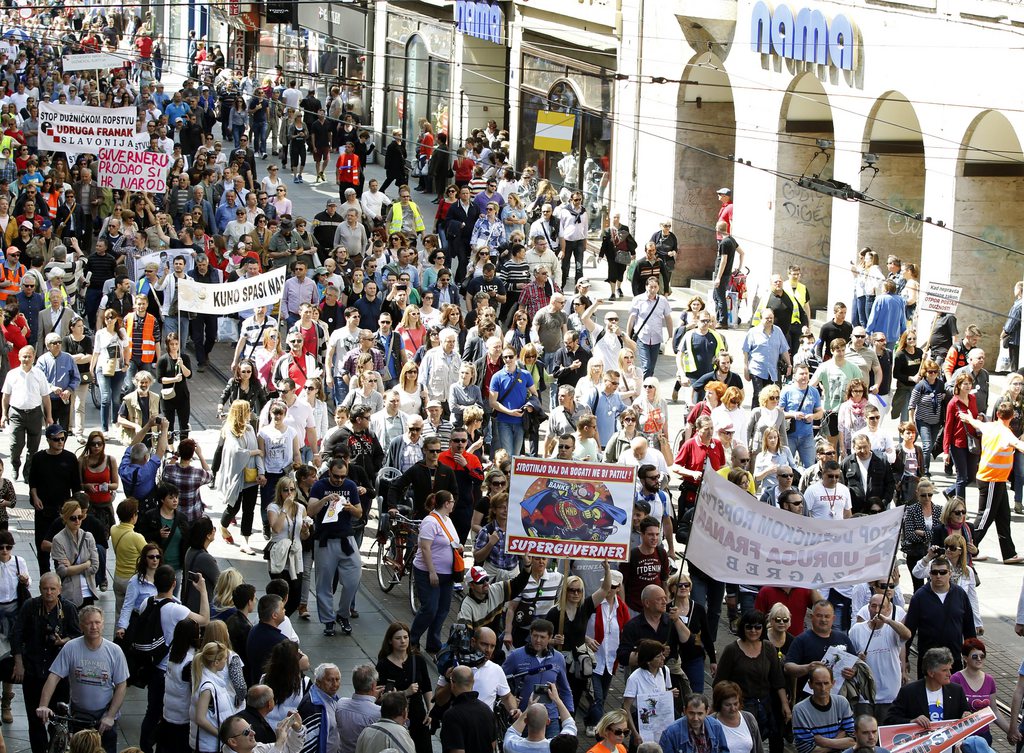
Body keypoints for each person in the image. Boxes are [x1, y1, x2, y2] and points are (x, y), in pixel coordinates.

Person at [36, 605, 129, 753]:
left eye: (97, 622)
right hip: (78, 716)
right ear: (81, 626)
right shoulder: (71, 647)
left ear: (103, 624)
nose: (94, 627)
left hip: (104, 718)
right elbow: (54, 677)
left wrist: (110, 716)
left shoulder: (114, 651)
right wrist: (43, 705)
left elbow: (121, 685)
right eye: (89, 623)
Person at [12, 571, 81, 752]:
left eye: (52, 589)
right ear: (40, 589)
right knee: (35, 720)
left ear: (59, 590)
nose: (48, 593)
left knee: (58, 721)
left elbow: (77, 635)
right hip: (33, 671)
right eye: (45, 589)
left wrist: (62, 641)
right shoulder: (30, 606)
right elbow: (16, 634)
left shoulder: (68, 609)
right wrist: (18, 662)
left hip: (58, 675)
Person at [713, 610, 790, 753]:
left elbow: (778, 680)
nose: (753, 631)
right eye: (749, 627)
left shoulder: (768, 647)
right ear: (743, 628)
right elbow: (719, 682)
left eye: (758, 627)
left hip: (767, 703)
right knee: (749, 742)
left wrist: (785, 705)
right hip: (742, 705)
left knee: (775, 737)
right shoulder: (732, 650)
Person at [958, 403, 1024, 563]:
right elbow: (1019, 445)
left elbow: (975, 422)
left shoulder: (989, 426)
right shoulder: (1006, 434)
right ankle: (968, 549)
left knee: (1003, 517)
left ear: (998, 414)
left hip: (996, 479)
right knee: (985, 516)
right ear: (1012, 416)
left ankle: (1009, 554)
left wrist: (966, 417)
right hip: (991, 479)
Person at [308, 457, 365, 637]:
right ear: (329, 472)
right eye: (335, 476)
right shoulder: (319, 485)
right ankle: (328, 621)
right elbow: (310, 511)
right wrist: (325, 499)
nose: (339, 480)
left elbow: (359, 513)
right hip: (325, 540)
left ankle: (342, 614)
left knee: (353, 578)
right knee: (323, 583)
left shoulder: (349, 485)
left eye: (342, 476)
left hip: (346, 539)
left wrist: (350, 508)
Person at [904, 556, 977, 677]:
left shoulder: (960, 594)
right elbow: (909, 630)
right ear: (930, 574)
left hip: (954, 659)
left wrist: (971, 655)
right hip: (928, 661)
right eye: (934, 572)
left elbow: (969, 628)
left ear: (950, 573)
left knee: (953, 694)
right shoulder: (920, 597)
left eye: (942, 572)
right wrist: (904, 657)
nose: (938, 576)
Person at [847, 593, 912, 722]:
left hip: (889, 694)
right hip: (865, 694)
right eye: (873, 606)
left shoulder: (893, 628)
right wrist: (857, 659)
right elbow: (849, 658)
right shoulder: (856, 630)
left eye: (881, 607)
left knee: (885, 734)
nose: (876, 610)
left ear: (888, 610)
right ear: (868, 607)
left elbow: (907, 634)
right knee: (865, 733)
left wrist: (887, 620)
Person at [29, 422, 80, 573]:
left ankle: (61, 578)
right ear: (49, 440)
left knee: (62, 546)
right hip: (43, 510)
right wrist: (35, 497)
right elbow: (33, 482)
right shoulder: (39, 458)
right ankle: (45, 577)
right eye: (56, 439)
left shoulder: (70, 458)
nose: (60, 442)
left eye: (63, 439)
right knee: (42, 547)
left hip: (62, 511)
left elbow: (76, 487)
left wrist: (74, 508)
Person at [375, 622, 432, 753]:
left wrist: (430, 710)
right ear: (390, 641)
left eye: (406, 637)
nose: (403, 641)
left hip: (418, 715)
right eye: (398, 638)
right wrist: (405, 693)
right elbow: (379, 697)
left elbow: (427, 687)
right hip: (396, 717)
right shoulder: (383, 665)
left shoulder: (418, 660)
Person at [3, 344, 52, 480]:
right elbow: (6, 396)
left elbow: (46, 397)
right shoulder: (12, 374)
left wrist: (49, 416)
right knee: (15, 445)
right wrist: (3, 414)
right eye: (24, 356)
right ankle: (15, 465)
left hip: (35, 413)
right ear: (19, 357)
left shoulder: (39, 374)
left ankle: (28, 471)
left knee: (33, 446)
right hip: (16, 413)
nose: (26, 359)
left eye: (29, 356)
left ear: (33, 358)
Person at [950, 639, 1010, 747]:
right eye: (974, 656)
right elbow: (949, 709)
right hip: (962, 737)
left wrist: (1010, 731)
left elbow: (993, 710)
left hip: (984, 737)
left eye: (982, 656)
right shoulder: (956, 679)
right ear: (965, 658)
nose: (979, 659)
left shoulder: (989, 680)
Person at [792, 666, 855, 753]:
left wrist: (824, 742)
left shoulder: (842, 702)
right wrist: (840, 738)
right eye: (818, 684)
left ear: (833, 683)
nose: (823, 688)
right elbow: (806, 750)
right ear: (810, 685)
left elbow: (853, 740)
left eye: (826, 683)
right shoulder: (800, 710)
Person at [50, 501, 99, 606]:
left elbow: (94, 567)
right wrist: (86, 564)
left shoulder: (88, 537)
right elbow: (62, 571)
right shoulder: (58, 540)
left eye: (80, 517)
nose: (77, 521)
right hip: (69, 594)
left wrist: (72, 568)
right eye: (73, 518)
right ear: (65, 518)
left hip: (89, 592)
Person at [440, 667, 498, 753]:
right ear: (473, 682)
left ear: (452, 682)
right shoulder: (487, 710)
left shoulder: (452, 715)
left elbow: (457, 750)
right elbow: (492, 744)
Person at [659, 692, 729, 753]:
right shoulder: (670, 733)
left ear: (707, 711)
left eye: (700, 714)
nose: (695, 718)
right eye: (691, 713)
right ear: (684, 711)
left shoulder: (715, 726)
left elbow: (724, 750)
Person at [711, 682, 764, 753]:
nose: (733, 708)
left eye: (735, 704)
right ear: (719, 704)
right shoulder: (710, 723)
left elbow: (759, 748)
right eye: (727, 705)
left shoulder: (749, 718)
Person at [219, 709, 306, 753]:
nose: (253, 733)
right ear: (233, 742)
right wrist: (279, 742)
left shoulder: (256, 748)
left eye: (250, 728)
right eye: (246, 732)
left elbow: (291, 750)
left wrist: (297, 730)